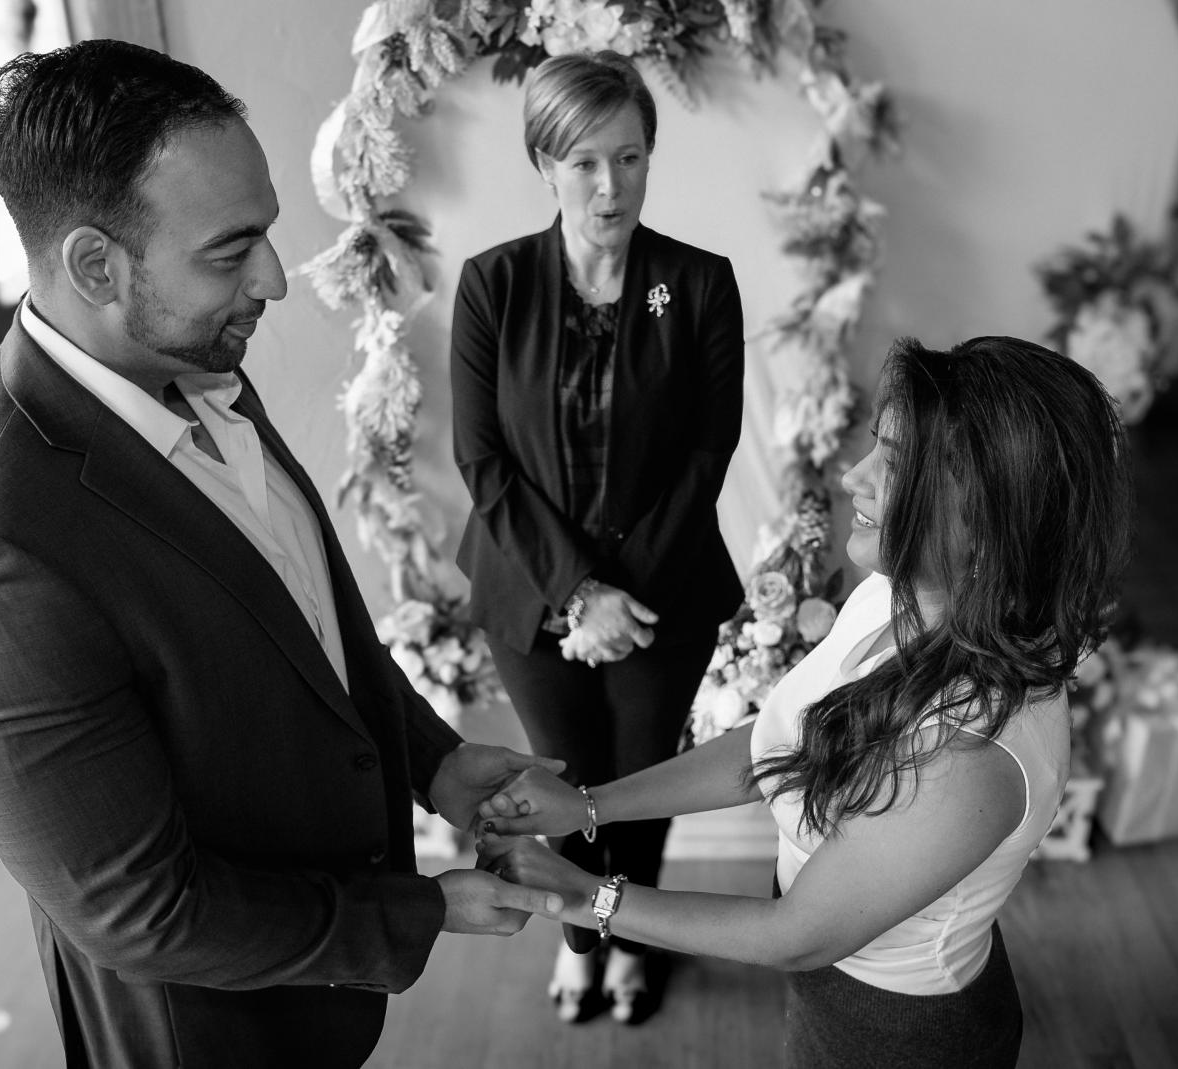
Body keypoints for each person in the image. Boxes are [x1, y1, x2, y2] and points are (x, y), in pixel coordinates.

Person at [0, 41, 562, 1069]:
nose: (275, 280)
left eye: (268, 233)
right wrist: (418, 910)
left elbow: (305, 615)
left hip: (319, 990)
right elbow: (140, 912)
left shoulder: (189, 358)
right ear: (97, 265)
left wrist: (436, 760)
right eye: (230, 249)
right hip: (208, 1034)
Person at [478, 335, 1134, 1066]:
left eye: (896, 463)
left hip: (897, 1033)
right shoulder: (893, 595)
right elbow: (780, 743)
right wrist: (588, 806)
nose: (855, 477)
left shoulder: (973, 750)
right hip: (826, 983)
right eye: (874, 447)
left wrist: (584, 895)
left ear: (991, 517)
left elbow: (800, 931)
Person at [447, 50, 746, 1024]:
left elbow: (708, 451)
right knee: (565, 781)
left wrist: (624, 600)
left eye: (627, 156)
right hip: (531, 594)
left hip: (664, 588)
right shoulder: (491, 285)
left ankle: (636, 941)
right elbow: (483, 460)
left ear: (650, 155)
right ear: (543, 163)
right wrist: (579, 595)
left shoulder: (701, 284)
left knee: (643, 781)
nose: (608, 184)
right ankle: (580, 940)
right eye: (582, 161)